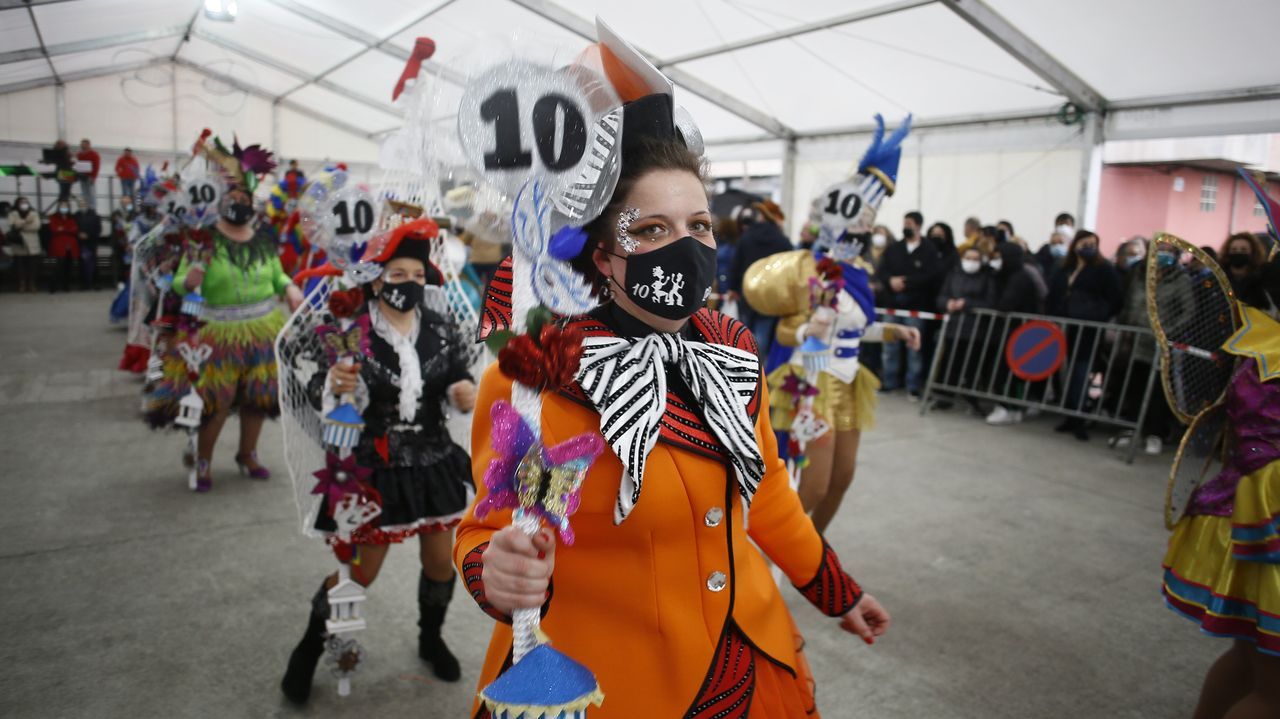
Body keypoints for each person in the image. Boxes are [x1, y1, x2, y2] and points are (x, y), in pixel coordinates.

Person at [459, 36, 890, 718]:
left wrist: (837, 589)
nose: (685, 245)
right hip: (614, 683)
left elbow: (768, 491)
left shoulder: (729, 348)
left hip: (747, 658)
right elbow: (484, 530)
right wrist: (497, 569)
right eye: (652, 228)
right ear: (601, 254)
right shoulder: (537, 380)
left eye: (698, 223)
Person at [280, 220, 478, 704]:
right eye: (396, 272)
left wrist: (462, 394)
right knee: (360, 572)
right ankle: (309, 648)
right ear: (374, 279)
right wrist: (333, 388)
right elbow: (296, 362)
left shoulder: (443, 326)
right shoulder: (349, 331)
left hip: (433, 460)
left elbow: (459, 375)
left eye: (415, 273)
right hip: (372, 466)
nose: (407, 282)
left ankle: (430, 638)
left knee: (439, 563)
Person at [746, 113, 921, 534]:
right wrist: (809, 330)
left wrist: (893, 331)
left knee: (842, 479)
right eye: (862, 218)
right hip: (812, 383)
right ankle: (774, 551)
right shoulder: (810, 269)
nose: (866, 226)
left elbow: (855, 331)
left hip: (848, 382)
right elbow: (790, 332)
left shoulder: (859, 270)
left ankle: (813, 552)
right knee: (813, 485)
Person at [145, 185, 304, 489]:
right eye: (234, 198)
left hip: (263, 330)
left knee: (258, 398)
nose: (240, 203)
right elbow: (179, 282)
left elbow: (277, 274)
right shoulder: (202, 241)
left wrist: (290, 287)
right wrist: (188, 281)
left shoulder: (263, 240)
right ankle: (203, 460)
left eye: (246, 199)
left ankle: (248, 454)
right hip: (216, 334)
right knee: (218, 400)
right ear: (220, 200)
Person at [1046, 230, 1122, 440]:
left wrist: (1100, 314)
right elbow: (1053, 293)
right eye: (1084, 243)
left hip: (1088, 329)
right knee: (1064, 372)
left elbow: (1115, 297)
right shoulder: (1064, 267)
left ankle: (1079, 416)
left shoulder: (1104, 269)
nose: (1088, 247)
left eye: (1092, 243)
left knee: (1081, 370)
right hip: (1064, 326)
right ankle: (1069, 413)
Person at [877, 209, 944, 399]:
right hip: (893, 304)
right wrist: (890, 281)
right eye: (904, 224)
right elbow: (883, 270)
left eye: (910, 224)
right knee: (889, 345)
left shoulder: (929, 250)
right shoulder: (894, 248)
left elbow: (931, 275)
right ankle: (889, 381)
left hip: (916, 307)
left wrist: (908, 282)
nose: (906, 227)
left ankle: (913, 385)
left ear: (918, 226)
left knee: (914, 347)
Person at [728, 199, 793, 355]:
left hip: (747, 291)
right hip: (771, 294)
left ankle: (744, 362)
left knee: (744, 330)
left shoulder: (746, 237)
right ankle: (758, 366)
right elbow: (788, 270)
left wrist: (733, 287)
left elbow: (736, 264)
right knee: (763, 333)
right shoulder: (782, 241)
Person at [935, 246, 997, 405]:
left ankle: (972, 396)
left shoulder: (987, 278)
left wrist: (967, 304)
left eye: (975, 259)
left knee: (972, 364)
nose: (971, 262)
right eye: (968, 258)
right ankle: (945, 396)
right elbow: (942, 296)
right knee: (950, 362)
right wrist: (947, 303)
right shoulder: (954, 274)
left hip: (975, 329)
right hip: (953, 327)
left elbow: (990, 302)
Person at [1219, 232, 1270, 309]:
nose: (1238, 252)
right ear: (1227, 252)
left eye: (1244, 250)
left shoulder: (1262, 281)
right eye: (1234, 250)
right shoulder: (1219, 279)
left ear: (1253, 253)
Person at [7, 197, 42, 293]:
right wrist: (26, 221)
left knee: (33, 265)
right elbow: (12, 225)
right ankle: (22, 284)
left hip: (32, 242)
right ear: (17, 204)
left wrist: (21, 225)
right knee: (20, 265)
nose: (24, 204)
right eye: (22, 202)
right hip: (19, 242)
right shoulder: (13, 214)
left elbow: (36, 226)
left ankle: (32, 284)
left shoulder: (34, 213)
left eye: (26, 202)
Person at [48, 200, 79, 293]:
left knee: (69, 266)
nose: (64, 208)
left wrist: (62, 228)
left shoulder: (71, 218)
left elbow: (75, 229)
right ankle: (53, 286)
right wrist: (66, 229)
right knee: (59, 266)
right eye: (62, 206)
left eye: (66, 206)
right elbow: (54, 229)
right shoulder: (54, 217)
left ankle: (66, 285)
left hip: (70, 245)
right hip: (59, 244)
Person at [1035, 212, 1074, 279]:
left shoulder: (1075, 250)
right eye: (1061, 224)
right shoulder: (1045, 249)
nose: (1063, 227)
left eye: (1067, 224)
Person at [75, 197, 101, 290]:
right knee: (82, 264)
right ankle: (84, 284)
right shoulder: (76, 215)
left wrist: (89, 235)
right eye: (81, 204)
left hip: (92, 243)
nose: (82, 205)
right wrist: (79, 234)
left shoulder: (94, 215)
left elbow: (98, 229)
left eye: (84, 203)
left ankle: (95, 283)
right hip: (80, 243)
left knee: (94, 264)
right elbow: (73, 227)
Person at [76, 138, 100, 208]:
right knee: (84, 194)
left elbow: (96, 166)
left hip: (90, 177)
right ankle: (86, 209)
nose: (82, 146)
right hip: (81, 177)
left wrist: (94, 177)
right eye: (82, 145)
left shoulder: (94, 154)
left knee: (92, 195)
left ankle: (93, 210)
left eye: (84, 145)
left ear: (88, 145)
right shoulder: (79, 154)